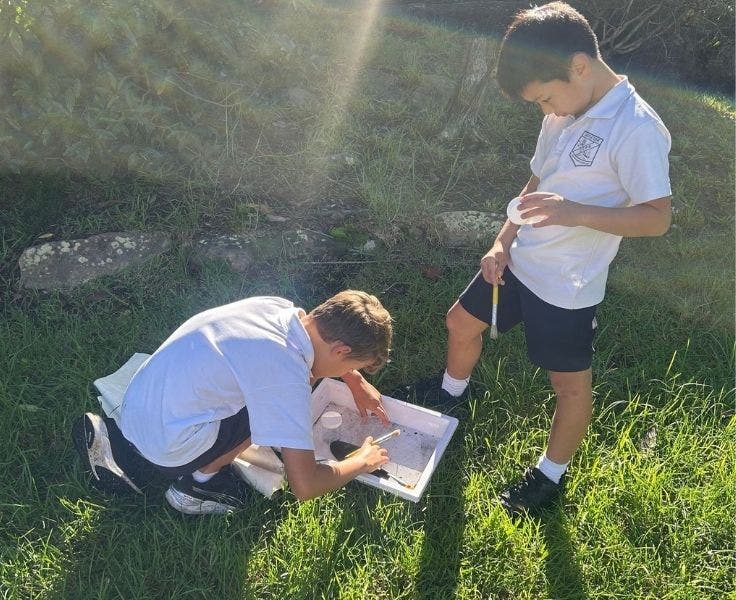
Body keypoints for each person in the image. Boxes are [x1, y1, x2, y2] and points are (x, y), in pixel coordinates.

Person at [405, 1, 672, 516]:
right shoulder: (566, 108)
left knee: (567, 386)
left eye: (547, 98)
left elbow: (657, 217)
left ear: (579, 65)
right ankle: (450, 395)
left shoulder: (635, 128)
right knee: (460, 322)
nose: (546, 112)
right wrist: (503, 240)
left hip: (566, 286)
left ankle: (549, 476)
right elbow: (537, 182)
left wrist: (574, 211)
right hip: (520, 261)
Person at [72, 290, 394, 515]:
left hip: (140, 403)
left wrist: (354, 379)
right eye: (351, 365)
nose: (348, 373)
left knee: (272, 391)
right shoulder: (285, 374)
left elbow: (310, 352)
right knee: (276, 408)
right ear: (340, 351)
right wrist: (362, 461)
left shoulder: (278, 308)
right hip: (168, 446)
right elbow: (305, 485)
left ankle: (120, 445)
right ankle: (198, 487)